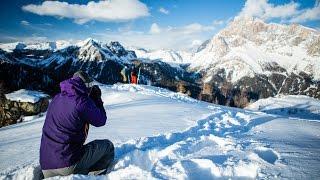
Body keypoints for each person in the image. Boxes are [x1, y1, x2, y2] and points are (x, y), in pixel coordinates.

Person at [40, 71, 114, 178]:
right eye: (89, 85)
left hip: (45, 165)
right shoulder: (81, 101)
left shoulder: (56, 98)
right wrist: (97, 99)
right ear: (84, 85)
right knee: (108, 147)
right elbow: (101, 120)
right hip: (67, 164)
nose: (90, 88)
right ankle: (93, 177)